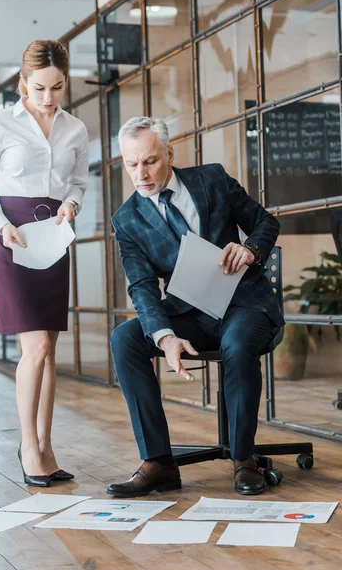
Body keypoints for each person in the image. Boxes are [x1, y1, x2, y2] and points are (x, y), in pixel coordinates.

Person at [107, 116, 284, 498]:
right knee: (125, 339)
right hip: (190, 312)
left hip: (243, 304)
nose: (141, 174)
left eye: (150, 161)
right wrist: (165, 336)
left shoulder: (212, 179)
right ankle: (158, 462)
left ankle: (243, 459)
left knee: (237, 345)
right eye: (131, 164)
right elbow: (141, 286)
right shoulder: (127, 220)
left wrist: (250, 250)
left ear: (169, 153)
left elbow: (264, 223)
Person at [0, 40, 88, 487]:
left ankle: (45, 444)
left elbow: (78, 183)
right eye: (39, 88)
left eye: (57, 87)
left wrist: (71, 205)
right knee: (35, 348)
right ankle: (28, 447)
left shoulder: (75, 129)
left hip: (54, 238)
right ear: (23, 82)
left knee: (50, 351)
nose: (47, 98)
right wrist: (1, 225)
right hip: (12, 238)